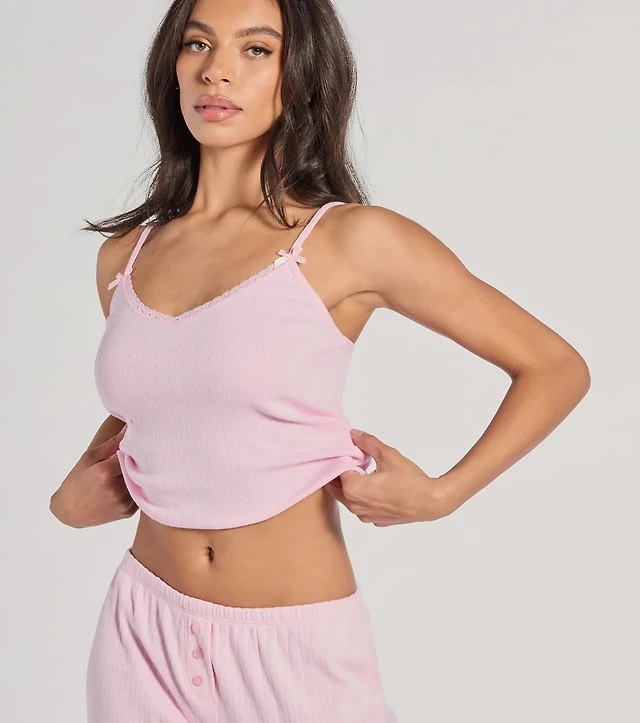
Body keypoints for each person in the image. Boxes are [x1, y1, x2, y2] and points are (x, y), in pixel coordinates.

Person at [49, 0, 591, 721]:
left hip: (295, 646)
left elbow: (555, 367)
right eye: (198, 43)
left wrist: (443, 494)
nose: (216, 70)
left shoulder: (350, 241)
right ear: (171, 66)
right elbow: (160, 397)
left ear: (302, 74)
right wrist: (68, 499)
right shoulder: (127, 256)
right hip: (143, 631)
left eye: (256, 49)